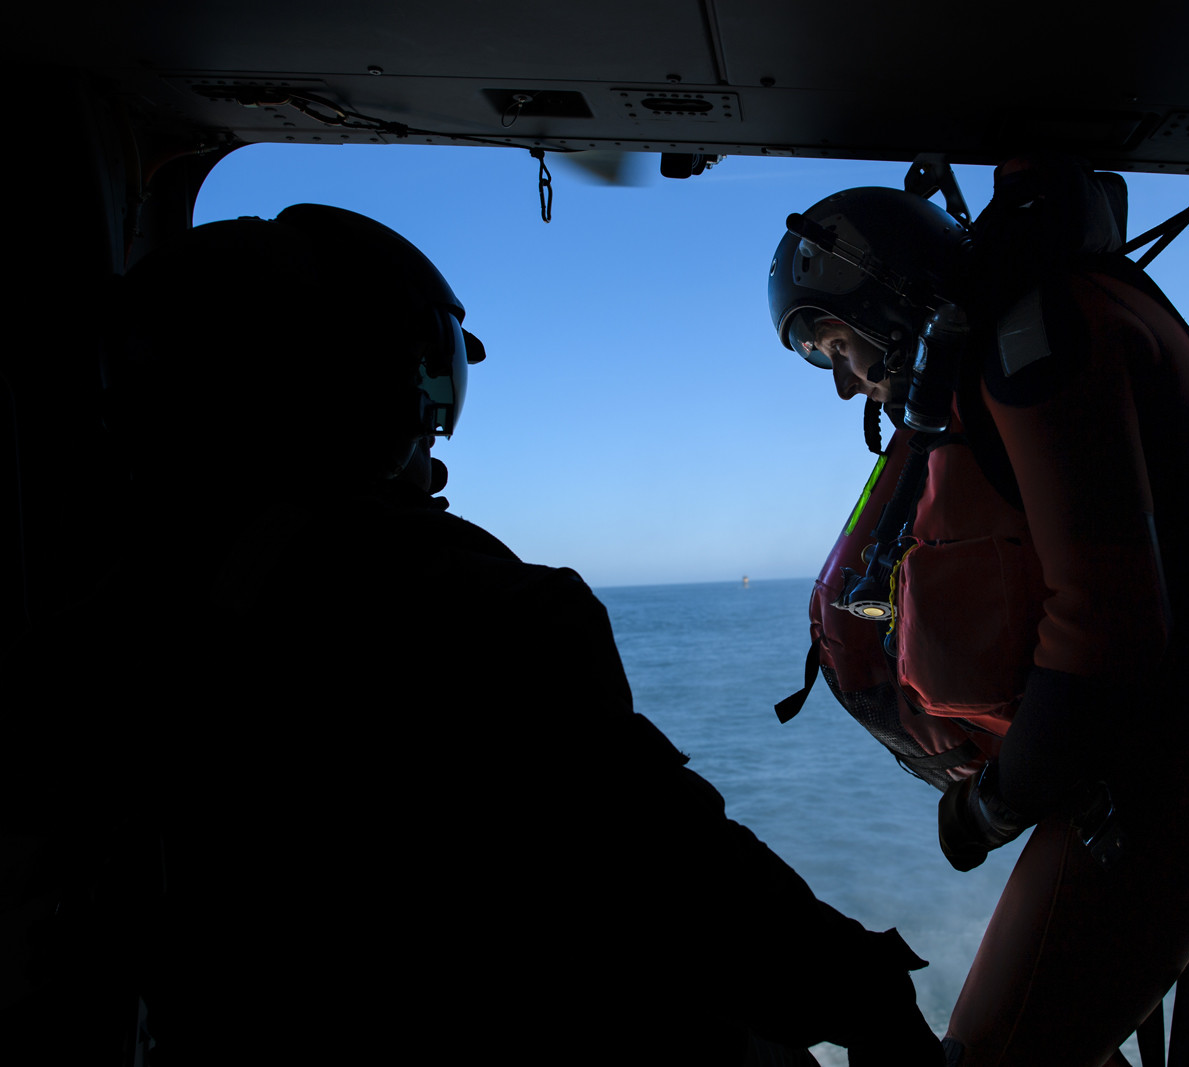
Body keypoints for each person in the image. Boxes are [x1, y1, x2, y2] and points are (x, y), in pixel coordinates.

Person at [4, 205, 944, 1066]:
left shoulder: (92, 635)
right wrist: (862, 992)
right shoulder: (450, 600)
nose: (433, 430)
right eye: (418, 375)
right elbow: (660, 865)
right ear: (347, 383)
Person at [768, 160, 1189, 1066]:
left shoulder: (1032, 349)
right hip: (1164, 750)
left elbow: (1106, 623)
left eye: (838, 348)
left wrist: (990, 810)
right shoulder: (1048, 329)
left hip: (1183, 766)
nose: (846, 385)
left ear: (889, 303)